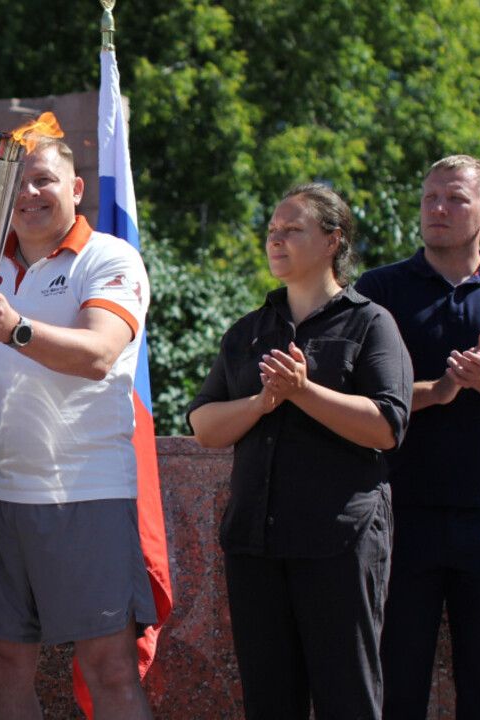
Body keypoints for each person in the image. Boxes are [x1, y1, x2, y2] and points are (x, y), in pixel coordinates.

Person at [0, 137, 158, 720]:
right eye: (17, 183)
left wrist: (14, 327)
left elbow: (99, 353)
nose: (29, 193)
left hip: (85, 492)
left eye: (42, 179)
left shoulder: (110, 257)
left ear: (75, 188)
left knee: (108, 667)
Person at [188, 183, 412, 719]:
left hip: (339, 542)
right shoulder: (249, 331)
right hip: (256, 545)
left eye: (293, 230)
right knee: (269, 701)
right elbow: (204, 425)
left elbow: (387, 426)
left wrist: (304, 392)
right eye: (271, 231)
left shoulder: (370, 323)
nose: (276, 240)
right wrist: (263, 403)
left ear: (333, 240)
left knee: (347, 699)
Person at [355, 155, 480, 719]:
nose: (438, 209)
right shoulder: (378, 291)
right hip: (398, 515)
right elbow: (358, 400)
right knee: (396, 686)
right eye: (430, 198)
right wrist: (437, 391)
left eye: (455, 199)